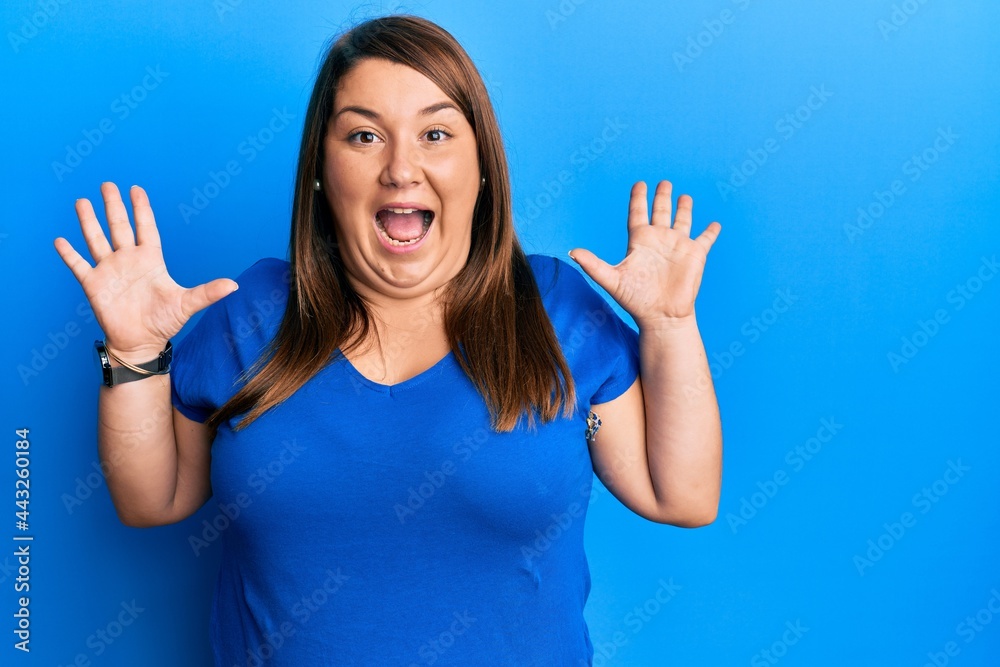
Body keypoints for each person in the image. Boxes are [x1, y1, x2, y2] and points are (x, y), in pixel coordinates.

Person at [53, 14, 722, 666]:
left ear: (482, 167)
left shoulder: (555, 315)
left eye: (435, 133)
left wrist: (670, 327)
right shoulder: (249, 317)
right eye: (365, 137)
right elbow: (151, 500)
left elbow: (683, 494)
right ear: (321, 170)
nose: (402, 168)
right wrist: (134, 352)